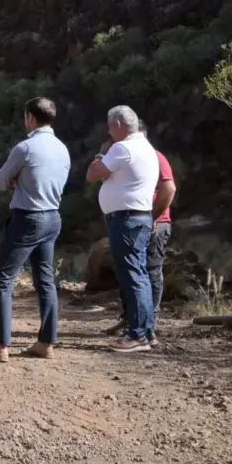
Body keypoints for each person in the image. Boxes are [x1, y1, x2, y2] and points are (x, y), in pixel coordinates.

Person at [0, 97, 71, 363]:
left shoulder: (25, 148)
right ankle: (46, 342)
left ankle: (0, 345)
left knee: (3, 280)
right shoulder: (62, 149)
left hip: (27, 218)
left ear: (30, 117)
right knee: (45, 279)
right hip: (53, 217)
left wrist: (17, 181)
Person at [86, 105, 159, 353]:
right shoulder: (146, 148)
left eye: (109, 127)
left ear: (117, 125)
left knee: (133, 276)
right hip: (138, 218)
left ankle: (137, 335)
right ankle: (146, 331)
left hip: (126, 220)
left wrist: (99, 156)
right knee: (139, 274)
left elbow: (93, 174)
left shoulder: (122, 147)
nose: (108, 132)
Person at [104, 120, 176, 345]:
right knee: (130, 271)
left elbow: (169, 188)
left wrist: (153, 216)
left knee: (149, 272)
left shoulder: (154, 156)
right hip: (137, 221)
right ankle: (132, 319)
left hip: (153, 222)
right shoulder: (125, 158)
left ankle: (148, 325)